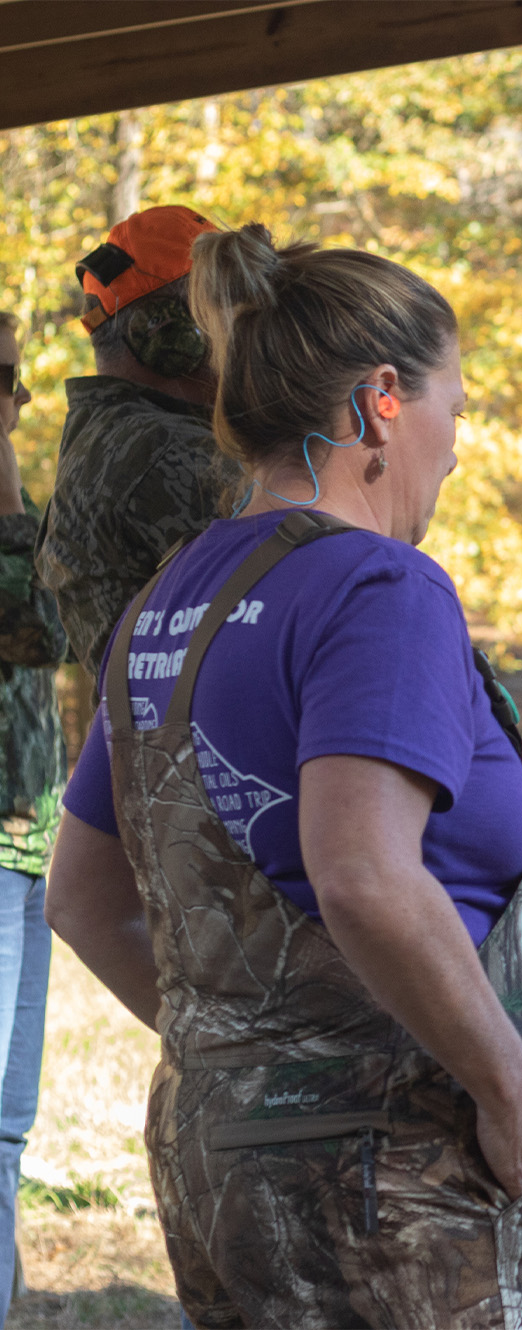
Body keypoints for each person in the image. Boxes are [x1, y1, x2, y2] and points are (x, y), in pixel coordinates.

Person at [43, 223, 522, 1327]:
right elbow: (366, 876)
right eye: (455, 410)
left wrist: (252, 1061)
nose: (459, 446)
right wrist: (511, 1092)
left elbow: (81, 897)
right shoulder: (378, 588)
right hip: (392, 1182)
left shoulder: (167, 597)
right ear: (383, 399)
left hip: (220, 1163)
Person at [35, 205, 242, 676]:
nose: (243, 334)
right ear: (168, 334)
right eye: (226, 310)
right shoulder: (165, 450)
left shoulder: (112, 435)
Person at [0, 311, 58, 1324]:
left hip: (19, 843)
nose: (15, 401)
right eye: (2, 379)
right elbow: (35, 621)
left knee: (6, 1130)